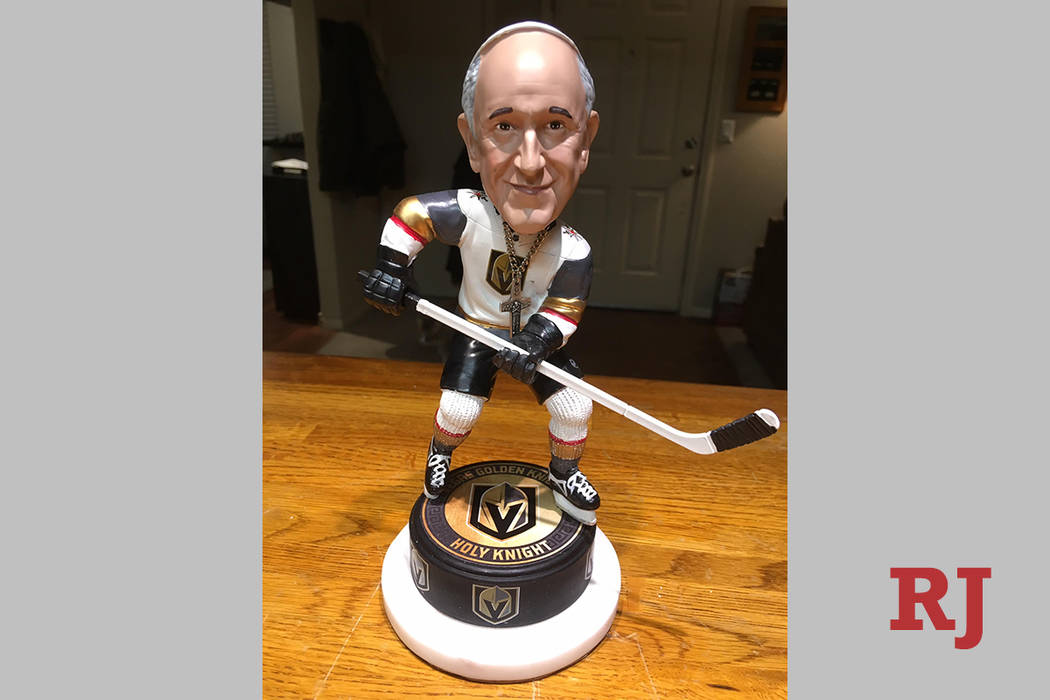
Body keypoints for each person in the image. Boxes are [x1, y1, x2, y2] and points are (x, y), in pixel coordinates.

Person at [362, 21, 602, 525]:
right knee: (459, 409)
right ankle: (440, 453)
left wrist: (537, 340)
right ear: (472, 142)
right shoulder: (470, 212)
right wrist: (391, 268)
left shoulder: (572, 250)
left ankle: (563, 473)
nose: (531, 163)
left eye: (556, 125)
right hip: (477, 330)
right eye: (504, 126)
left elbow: (564, 309)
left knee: (574, 407)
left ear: (586, 143)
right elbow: (411, 217)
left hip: (531, 341)